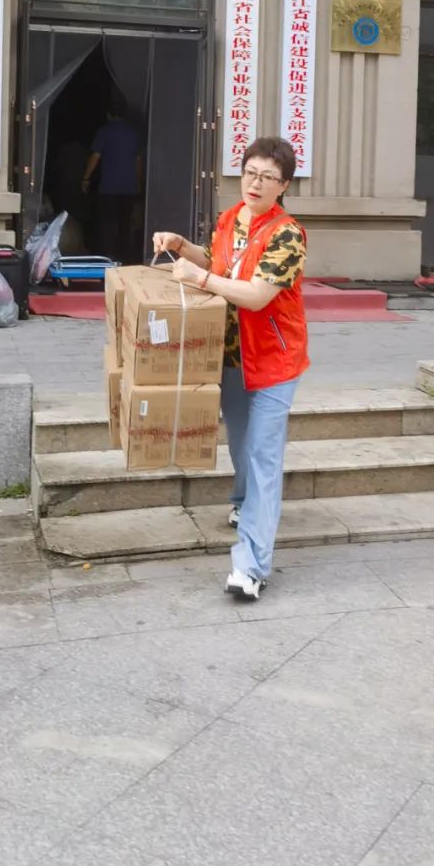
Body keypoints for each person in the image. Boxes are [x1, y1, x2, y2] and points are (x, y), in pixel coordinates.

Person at [153, 136, 308, 602]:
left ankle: (251, 566)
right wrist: (182, 247)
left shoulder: (287, 234)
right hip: (231, 357)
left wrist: (200, 278)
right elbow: (218, 262)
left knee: (262, 455)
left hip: (275, 361)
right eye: (250, 173)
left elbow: (256, 295)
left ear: (283, 186)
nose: (255, 184)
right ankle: (245, 504)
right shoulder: (230, 218)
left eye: (267, 177)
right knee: (242, 445)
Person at [83, 102, 143, 260]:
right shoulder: (133, 133)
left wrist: (86, 178)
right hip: (128, 187)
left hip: (109, 188)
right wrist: (138, 182)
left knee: (107, 223)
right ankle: (123, 256)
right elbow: (138, 160)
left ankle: (106, 256)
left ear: (109, 115)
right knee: (125, 223)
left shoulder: (104, 132)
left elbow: (95, 156)